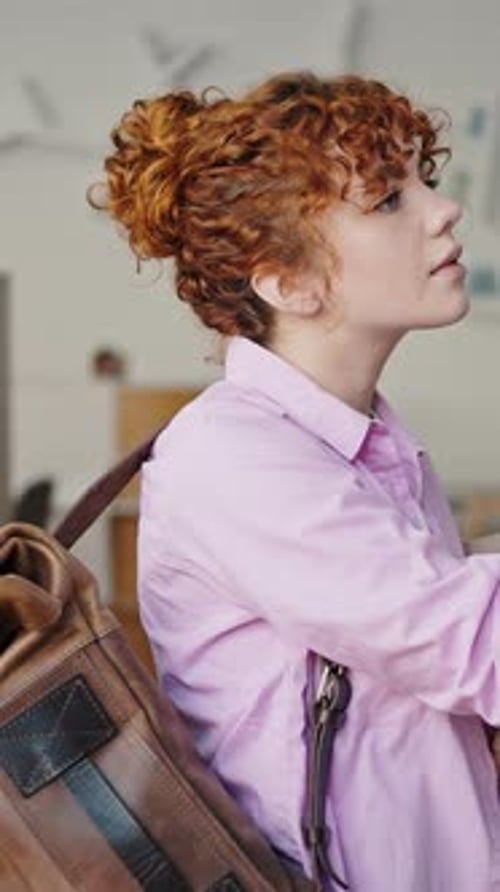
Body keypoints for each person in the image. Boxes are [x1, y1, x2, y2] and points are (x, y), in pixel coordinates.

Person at [90, 71, 500, 891]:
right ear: (288, 281)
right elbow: (471, 643)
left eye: (424, 179)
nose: (442, 208)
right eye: (388, 199)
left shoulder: (369, 441)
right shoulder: (233, 456)